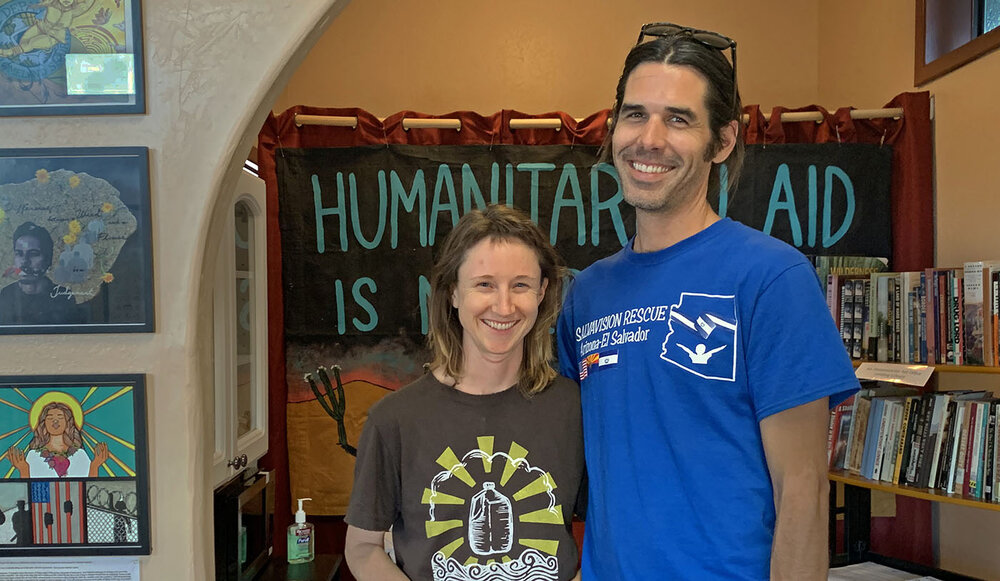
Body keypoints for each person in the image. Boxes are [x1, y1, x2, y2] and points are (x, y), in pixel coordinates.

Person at [556, 23, 860, 580]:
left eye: (678, 119)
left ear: (722, 141)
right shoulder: (587, 294)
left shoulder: (771, 277)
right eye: (634, 113)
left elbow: (804, 490)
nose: (649, 139)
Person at [345, 205, 585, 581]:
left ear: (542, 292)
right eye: (484, 284)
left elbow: (614, 534)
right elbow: (361, 547)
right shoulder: (394, 420)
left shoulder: (575, 408)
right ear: (453, 292)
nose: (504, 306)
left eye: (520, 285)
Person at [0, 221, 84, 326]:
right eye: (19, 254)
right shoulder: (5, 295)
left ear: (48, 259)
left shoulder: (63, 297)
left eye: (33, 254)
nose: (24, 262)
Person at [7, 401, 109, 478]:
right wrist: (23, 469)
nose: (55, 421)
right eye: (50, 418)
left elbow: (87, 487)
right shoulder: (33, 456)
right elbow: (31, 489)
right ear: (44, 423)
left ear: (67, 422)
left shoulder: (80, 455)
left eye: (60, 417)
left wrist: (95, 465)